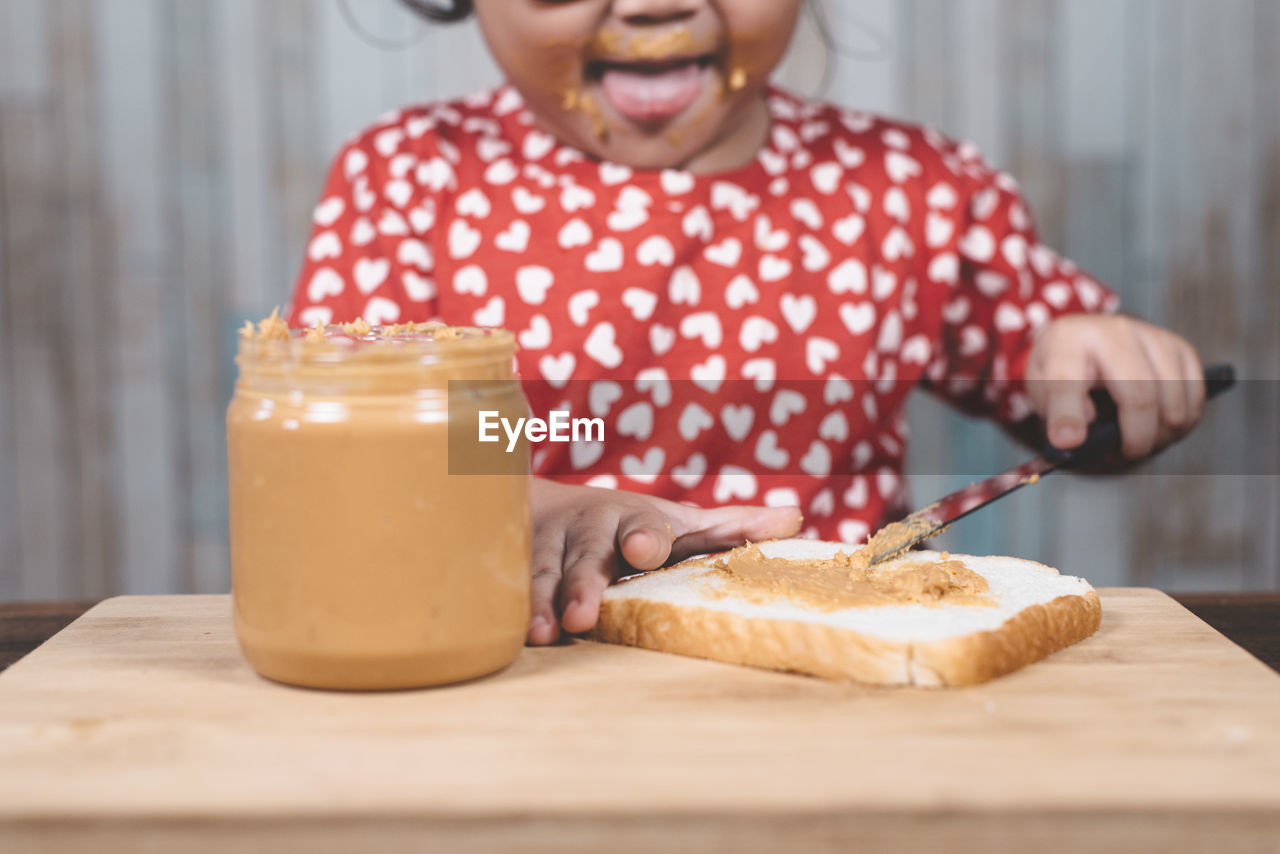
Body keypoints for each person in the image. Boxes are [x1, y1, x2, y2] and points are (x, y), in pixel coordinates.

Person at [287, 0, 1206, 646]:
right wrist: (528, 504)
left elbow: (1073, 408)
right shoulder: (411, 179)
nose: (652, 5)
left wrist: (1093, 362)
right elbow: (345, 464)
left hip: (835, 684)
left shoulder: (911, 187)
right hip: (512, 674)